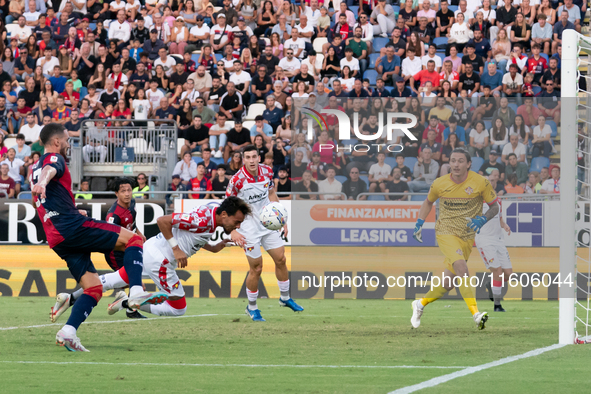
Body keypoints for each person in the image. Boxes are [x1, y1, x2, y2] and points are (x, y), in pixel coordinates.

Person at [31, 124, 167, 351]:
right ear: (56, 142)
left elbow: (46, 199)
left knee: (93, 287)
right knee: (134, 240)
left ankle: (68, 331)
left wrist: (72, 209)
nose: (68, 144)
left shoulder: (33, 167)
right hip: (72, 228)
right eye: (66, 140)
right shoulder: (54, 159)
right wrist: (44, 182)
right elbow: (49, 172)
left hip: (57, 237)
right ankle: (135, 293)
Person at [101, 196, 249, 317]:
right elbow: (163, 220)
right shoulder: (202, 220)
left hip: (149, 249)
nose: (238, 226)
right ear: (224, 215)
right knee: (178, 308)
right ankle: (129, 301)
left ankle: (78, 295)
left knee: (114, 279)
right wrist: (176, 248)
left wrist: (214, 247)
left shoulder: (211, 215)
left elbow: (193, 236)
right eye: (237, 222)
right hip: (160, 260)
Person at [412, 148, 498, 330]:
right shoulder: (439, 184)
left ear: (468, 164)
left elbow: (494, 207)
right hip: (445, 231)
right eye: (453, 161)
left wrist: (483, 218)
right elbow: (428, 202)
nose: (456, 164)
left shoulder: (480, 182)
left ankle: (419, 304)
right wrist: (420, 222)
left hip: (466, 236)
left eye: (460, 161)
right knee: (462, 268)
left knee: (448, 283)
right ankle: (476, 314)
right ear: (449, 163)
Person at [53, 178, 149, 320]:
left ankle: (71, 298)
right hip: (115, 254)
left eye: (129, 190)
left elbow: (132, 224)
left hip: (127, 250)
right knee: (136, 284)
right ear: (116, 193)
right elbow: (112, 237)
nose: (127, 194)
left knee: (118, 282)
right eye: (123, 191)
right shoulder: (113, 215)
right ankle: (123, 303)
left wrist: (139, 235)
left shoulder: (132, 204)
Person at [227, 145, 303, 321]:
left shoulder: (268, 172)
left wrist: (281, 219)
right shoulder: (237, 180)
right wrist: (232, 231)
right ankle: (252, 307)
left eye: (254, 156)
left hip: (267, 223)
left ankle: (285, 298)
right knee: (257, 268)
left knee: (281, 259)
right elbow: (228, 206)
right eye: (248, 157)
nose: (252, 160)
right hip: (247, 227)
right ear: (243, 160)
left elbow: (271, 193)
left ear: (259, 158)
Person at [475, 181, 513, 312]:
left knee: (507, 274)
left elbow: (500, 219)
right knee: (497, 271)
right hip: (484, 240)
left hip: (498, 240)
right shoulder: (475, 201)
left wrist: (505, 225)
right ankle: (497, 305)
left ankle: (491, 285)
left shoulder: (498, 201)